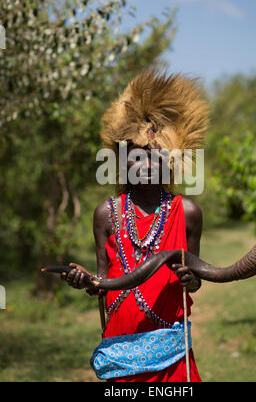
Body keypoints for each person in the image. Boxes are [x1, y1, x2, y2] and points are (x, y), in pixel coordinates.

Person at [62, 69, 210, 382]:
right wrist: (87, 281)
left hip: (173, 356)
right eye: (134, 155)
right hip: (121, 352)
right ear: (119, 159)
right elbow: (102, 285)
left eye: (154, 155)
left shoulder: (188, 212)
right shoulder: (106, 214)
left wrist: (189, 280)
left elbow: (196, 283)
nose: (144, 164)